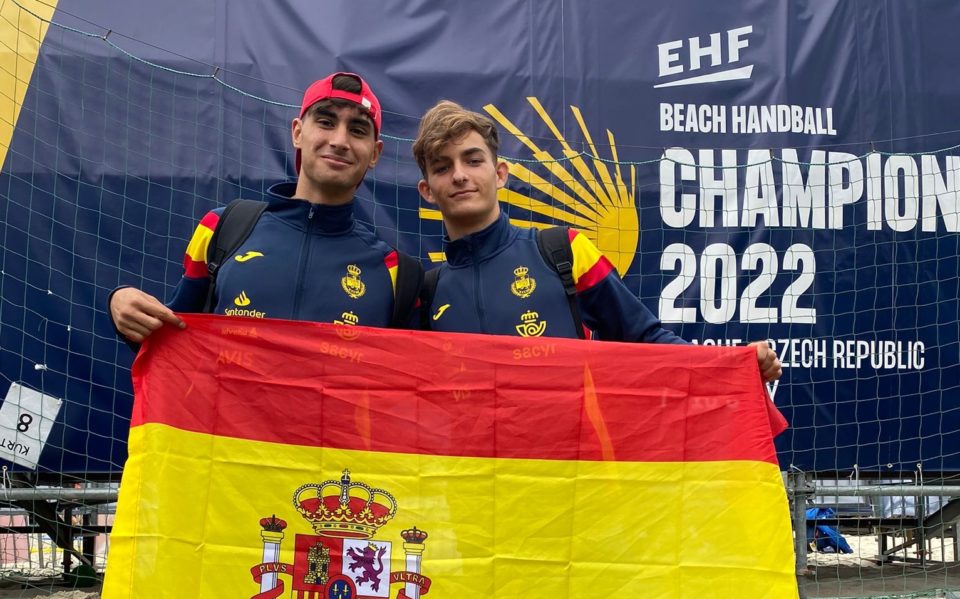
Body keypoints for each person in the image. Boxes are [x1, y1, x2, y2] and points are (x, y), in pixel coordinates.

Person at [411, 100, 782, 380]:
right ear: (427, 190)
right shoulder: (426, 292)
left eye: (473, 160)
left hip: (572, 460)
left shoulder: (565, 252)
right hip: (467, 464)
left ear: (501, 173)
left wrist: (732, 365)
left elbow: (646, 338)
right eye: (443, 167)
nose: (459, 175)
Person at [109, 72, 419, 341]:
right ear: (297, 132)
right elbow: (174, 340)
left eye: (358, 130)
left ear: (375, 153)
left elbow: (409, 379)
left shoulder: (394, 271)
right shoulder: (222, 229)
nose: (339, 141)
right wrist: (122, 305)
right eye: (325, 122)